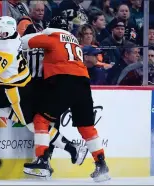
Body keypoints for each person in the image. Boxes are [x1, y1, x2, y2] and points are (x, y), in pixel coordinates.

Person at [0, 15, 88, 176]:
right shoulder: (14, 37)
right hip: (23, 84)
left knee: (34, 126)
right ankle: (66, 151)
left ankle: (73, 149)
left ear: (4, 32)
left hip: (16, 91)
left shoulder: (5, 50)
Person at [21, 16, 110, 182]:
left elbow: (25, 42)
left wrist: (40, 33)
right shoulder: (74, 41)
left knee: (41, 120)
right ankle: (101, 165)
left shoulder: (52, 37)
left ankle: (41, 161)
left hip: (63, 81)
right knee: (87, 127)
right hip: (83, 83)